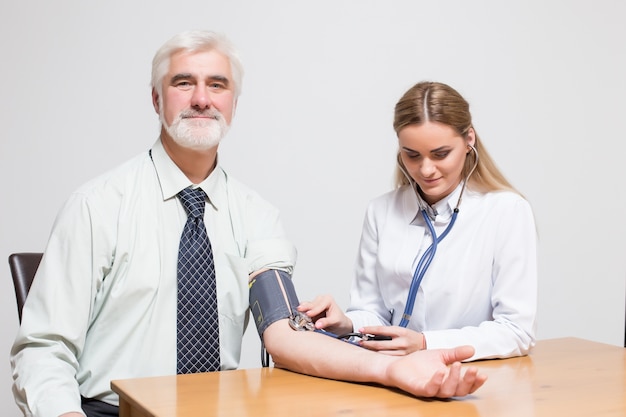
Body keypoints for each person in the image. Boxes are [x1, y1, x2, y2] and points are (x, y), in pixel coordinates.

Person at [10, 34, 487, 417]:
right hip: (110, 412)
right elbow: (43, 347)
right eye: (183, 83)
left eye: (217, 85)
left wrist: (392, 372)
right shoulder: (95, 207)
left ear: (234, 103)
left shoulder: (257, 216)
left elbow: (283, 334)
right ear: (156, 99)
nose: (201, 99)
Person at [299, 81, 537, 361]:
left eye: (440, 154)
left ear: (469, 139)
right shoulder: (381, 211)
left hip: (473, 382)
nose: (425, 169)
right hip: (396, 379)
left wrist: (426, 344)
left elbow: (516, 331)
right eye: (412, 155)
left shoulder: (507, 211)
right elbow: (373, 311)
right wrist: (346, 323)